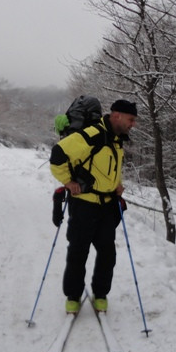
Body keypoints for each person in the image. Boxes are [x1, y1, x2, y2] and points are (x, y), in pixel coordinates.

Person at [49, 99, 138, 314]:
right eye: (130, 119)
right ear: (117, 115)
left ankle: (100, 294)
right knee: (78, 252)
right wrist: (68, 182)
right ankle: (73, 296)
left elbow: (109, 167)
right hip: (84, 206)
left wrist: (117, 185)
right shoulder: (92, 134)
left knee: (107, 254)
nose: (132, 124)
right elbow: (58, 154)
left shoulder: (117, 139)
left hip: (107, 206)